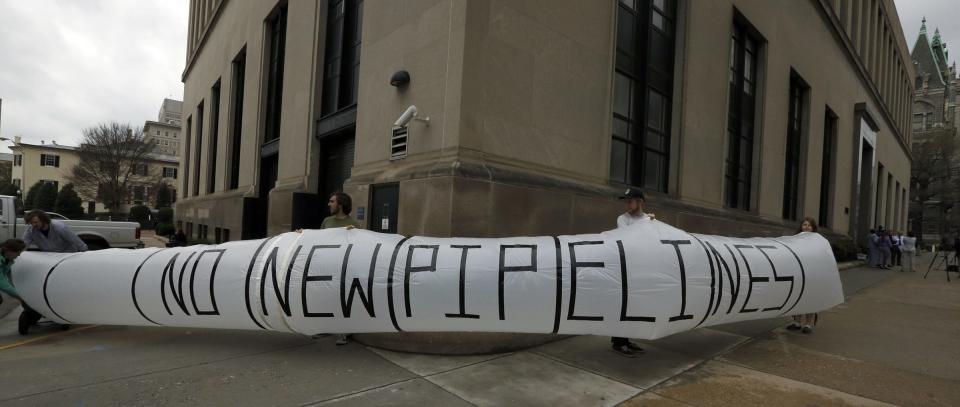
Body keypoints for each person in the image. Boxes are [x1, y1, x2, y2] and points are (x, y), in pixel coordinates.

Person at [20, 210, 87, 334]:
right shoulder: (31, 230)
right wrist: (17, 256)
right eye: (31, 223)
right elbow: (24, 244)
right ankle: (42, 308)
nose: (33, 225)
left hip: (66, 257)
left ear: (43, 219)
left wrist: (86, 257)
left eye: (35, 222)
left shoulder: (59, 227)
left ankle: (63, 309)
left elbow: (76, 242)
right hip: (50, 258)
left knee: (64, 284)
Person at [611, 188, 656, 357]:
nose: (627, 204)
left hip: (642, 267)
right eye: (626, 201)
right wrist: (648, 222)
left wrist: (651, 222)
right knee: (623, 304)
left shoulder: (649, 220)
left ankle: (626, 340)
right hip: (626, 267)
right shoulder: (623, 219)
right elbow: (629, 237)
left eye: (630, 200)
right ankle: (618, 342)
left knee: (634, 306)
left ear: (640, 202)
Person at [322, 192, 359, 345]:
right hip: (326, 266)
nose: (329, 204)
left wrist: (352, 233)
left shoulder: (353, 224)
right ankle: (323, 327)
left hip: (343, 269)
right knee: (324, 297)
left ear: (341, 204)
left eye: (332, 201)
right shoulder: (327, 221)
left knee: (342, 299)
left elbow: (358, 247)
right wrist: (303, 234)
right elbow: (318, 240)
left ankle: (343, 331)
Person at [787, 217, 819, 334]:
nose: (806, 227)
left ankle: (808, 324)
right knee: (798, 298)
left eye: (809, 225)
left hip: (812, 274)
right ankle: (797, 322)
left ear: (813, 228)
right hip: (799, 273)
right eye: (804, 224)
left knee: (810, 300)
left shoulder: (818, 242)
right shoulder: (795, 240)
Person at [0, 239, 31, 334]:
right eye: (18, 252)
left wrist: (17, 290)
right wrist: (19, 295)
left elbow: (7, 277)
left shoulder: (8, 259)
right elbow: (2, 283)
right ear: (9, 250)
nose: (19, 255)